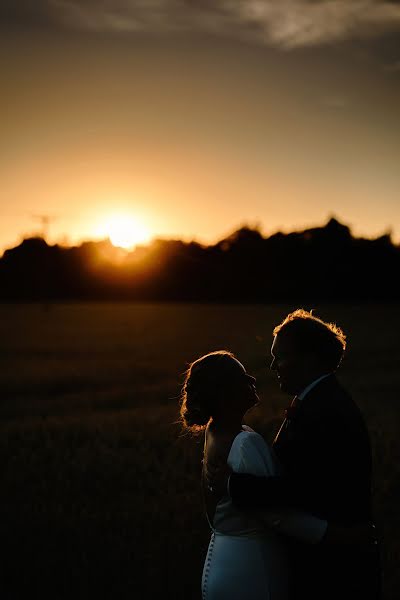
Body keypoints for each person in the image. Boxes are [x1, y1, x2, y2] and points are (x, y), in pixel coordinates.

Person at [217, 309, 382, 600]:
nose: (273, 365)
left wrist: (234, 486)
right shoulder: (318, 400)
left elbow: (305, 488)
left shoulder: (327, 410)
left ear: (309, 359)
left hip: (334, 572)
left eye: (280, 356)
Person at [180, 350, 332, 600]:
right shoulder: (244, 442)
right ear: (224, 392)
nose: (252, 380)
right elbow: (275, 515)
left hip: (222, 561)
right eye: (242, 377)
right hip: (253, 570)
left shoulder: (214, 432)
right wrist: (332, 535)